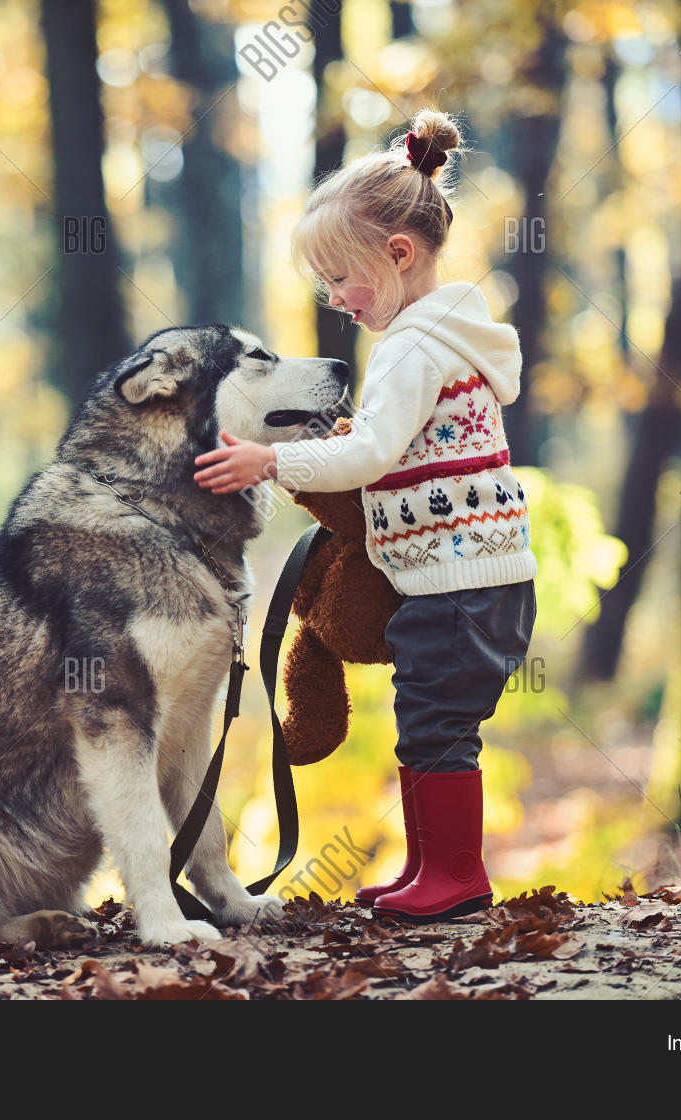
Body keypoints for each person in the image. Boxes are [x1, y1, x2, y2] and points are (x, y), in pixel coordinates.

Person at [193, 109, 536, 921]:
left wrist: (273, 462)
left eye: (340, 279)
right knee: (427, 721)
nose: (335, 299)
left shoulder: (414, 347)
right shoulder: (447, 333)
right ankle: (431, 867)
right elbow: (400, 449)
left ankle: (456, 875)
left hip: (460, 582)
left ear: (398, 254)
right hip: (471, 574)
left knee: (437, 727)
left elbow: (373, 455)